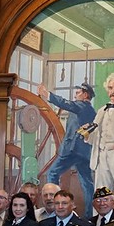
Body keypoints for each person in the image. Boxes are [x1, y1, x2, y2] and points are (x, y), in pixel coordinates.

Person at [38, 82, 97, 216]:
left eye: (78, 93)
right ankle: (89, 215)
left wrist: (47, 95)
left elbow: (65, 103)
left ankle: (54, 207)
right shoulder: (90, 110)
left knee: (52, 173)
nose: (75, 95)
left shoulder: (81, 106)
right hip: (84, 151)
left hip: (73, 149)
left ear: (85, 95)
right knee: (87, 182)